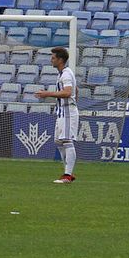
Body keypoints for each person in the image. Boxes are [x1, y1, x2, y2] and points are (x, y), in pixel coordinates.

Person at [36, 46, 78, 184]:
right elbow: (75, 90)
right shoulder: (63, 73)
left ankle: (67, 175)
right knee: (58, 141)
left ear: (60, 60)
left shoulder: (65, 74)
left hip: (67, 112)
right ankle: (67, 172)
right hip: (62, 111)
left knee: (66, 140)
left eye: (53, 57)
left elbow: (67, 92)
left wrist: (47, 94)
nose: (51, 60)